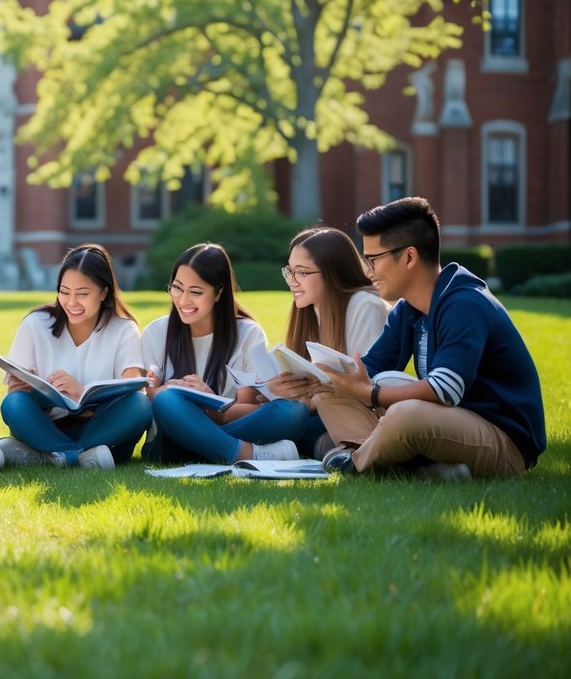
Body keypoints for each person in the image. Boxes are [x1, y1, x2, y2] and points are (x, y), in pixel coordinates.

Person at [317, 197, 545, 479]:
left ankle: (357, 462)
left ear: (410, 257)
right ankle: (420, 469)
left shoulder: (464, 303)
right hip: (449, 426)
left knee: (406, 415)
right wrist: (317, 381)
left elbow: (445, 390)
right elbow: (370, 367)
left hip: (503, 440)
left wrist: (371, 393)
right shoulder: (407, 309)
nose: (368, 270)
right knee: (329, 395)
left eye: (374, 259)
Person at [141, 243, 310, 464]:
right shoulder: (156, 332)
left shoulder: (247, 333)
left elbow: (249, 405)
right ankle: (245, 454)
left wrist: (212, 404)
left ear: (219, 292)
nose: (183, 300)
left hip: (227, 426)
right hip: (170, 433)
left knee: (294, 410)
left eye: (196, 292)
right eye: (177, 288)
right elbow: (153, 397)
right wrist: (166, 389)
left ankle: (205, 449)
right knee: (166, 399)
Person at [0, 244, 151, 469]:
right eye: (64, 291)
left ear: (104, 293)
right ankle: (77, 455)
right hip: (48, 426)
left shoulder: (123, 330)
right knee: (13, 403)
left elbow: (133, 389)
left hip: (103, 429)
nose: (71, 303)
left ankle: (51, 456)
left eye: (83, 294)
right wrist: (23, 386)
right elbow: (15, 395)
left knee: (140, 405)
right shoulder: (35, 324)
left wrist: (81, 394)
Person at [266, 227, 390, 458]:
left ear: (332, 272)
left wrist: (301, 399)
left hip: (353, 417)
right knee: (282, 415)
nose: (292, 281)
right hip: (317, 415)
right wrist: (276, 390)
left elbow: (362, 388)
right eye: (289, 271)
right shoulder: (309, 310)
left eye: (301, 273)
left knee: (288, 419)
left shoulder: (365, 306)